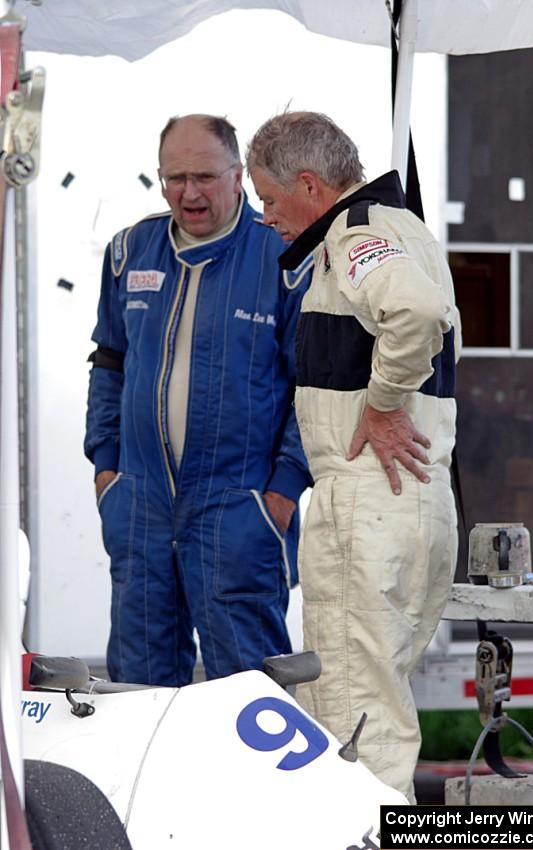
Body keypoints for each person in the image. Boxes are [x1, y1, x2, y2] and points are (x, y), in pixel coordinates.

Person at [247, 111, 461, 800]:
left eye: (269, 201)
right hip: (413, 499)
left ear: (309, 184)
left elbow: (415, 315)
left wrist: (382, 402)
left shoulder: (358, 231)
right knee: (378, 707)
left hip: (369, 497)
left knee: (352, 723)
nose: (266, 217)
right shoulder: (405, 229)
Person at [84, 114, 312, 687]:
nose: (189, 192)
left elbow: (311, 389)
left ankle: (255, 784)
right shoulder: (128, 252)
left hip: (240, 511)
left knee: (249, 692)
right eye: (175, 177)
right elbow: (108, 363)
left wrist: (282, 492)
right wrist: (106, 467)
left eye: (205, 176)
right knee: (137, 690)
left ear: (239, 176)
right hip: (139, 505)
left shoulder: (281, 257)